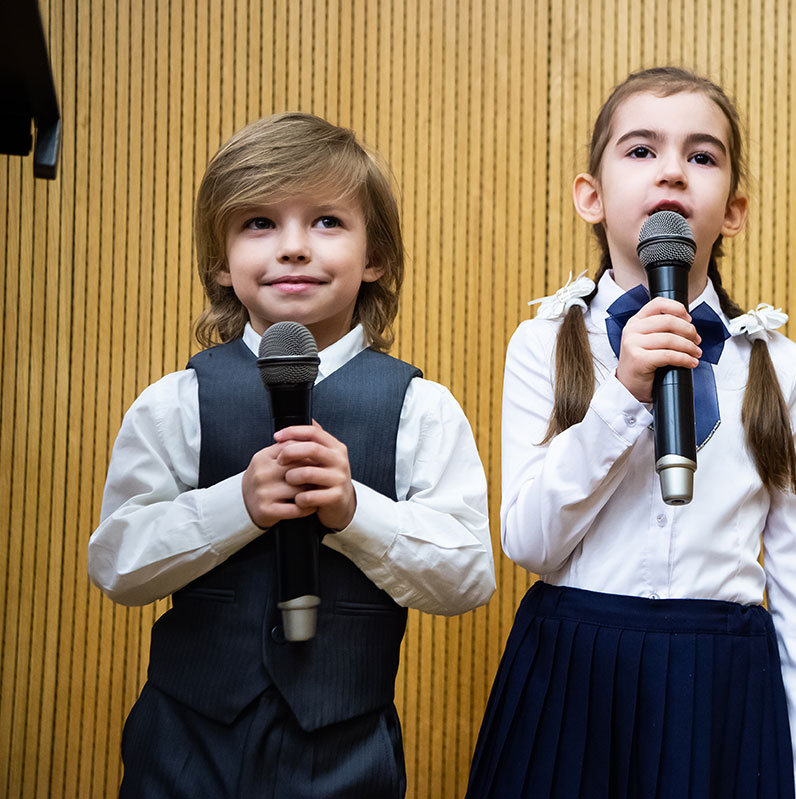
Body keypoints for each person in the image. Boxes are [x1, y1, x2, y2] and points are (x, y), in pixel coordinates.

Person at [88, 112, 495, 798]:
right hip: (183, 749)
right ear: (221, 260)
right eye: (259, 223)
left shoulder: (422, 410)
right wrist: (234, 506)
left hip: (347, 755)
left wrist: (354, 511)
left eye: (328, 222)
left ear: (377, 257)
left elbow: (467, 577)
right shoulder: (174, 402)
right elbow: (118, 563)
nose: (295, 247)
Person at [466, 68, 796, 798]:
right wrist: (623, 394)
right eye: (641, 150)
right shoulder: (543, 342)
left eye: (702, 156)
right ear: (591, 196)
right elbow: (528, 539)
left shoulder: (776, 365)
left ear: (732, 209)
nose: (672, 169)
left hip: (721, 683)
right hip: (572, 671)